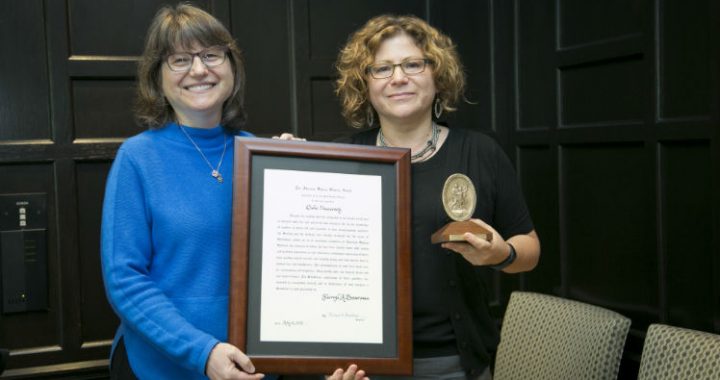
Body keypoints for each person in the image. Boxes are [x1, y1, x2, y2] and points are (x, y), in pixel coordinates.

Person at [100, 4, 366, 380]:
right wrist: (202, 352)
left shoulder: (263, 155)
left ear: (231, 66)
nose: (199, 70)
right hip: (163, 367)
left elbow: (301, 268)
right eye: (179, 59)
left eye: (211, 55)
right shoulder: (137, 158)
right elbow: (124, 281)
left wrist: (300, 174)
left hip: (256, 367)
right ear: (157, 77)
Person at [333, 15, 541, 379]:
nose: (399, 78)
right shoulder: (338, 159)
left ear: (437, 74)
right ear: (364, 83)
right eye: (382, 68)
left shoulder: (480, 153)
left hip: (454, 365)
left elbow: (529, 250)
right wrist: (284, 164)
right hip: (361, 366)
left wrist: (500, 254)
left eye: (413, 64)